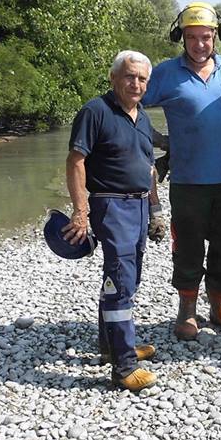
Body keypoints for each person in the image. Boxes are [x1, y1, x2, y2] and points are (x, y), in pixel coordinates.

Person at [142, 2, 221, 340]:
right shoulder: (165, 74)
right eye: (192, 37)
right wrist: (158, 139)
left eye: (206, 37)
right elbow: (129, 105)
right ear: (182, 38)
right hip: (187, 182)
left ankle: (219, 307)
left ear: (216, 37)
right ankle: (187, 311)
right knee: (187, 246)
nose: (200, 44)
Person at [63, 50, 159, 392]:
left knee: (127, 278)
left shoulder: (142, 118)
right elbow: (76, 162)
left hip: (139, 206)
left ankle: (112, 346)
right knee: (119, 279)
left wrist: (156, 210)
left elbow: (149, 170)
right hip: (111, 205)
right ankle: (123, 367)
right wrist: (80, 211)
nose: (136, 84)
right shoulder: (95, 111)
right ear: (114, 78)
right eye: (129, 76)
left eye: (142, 79)